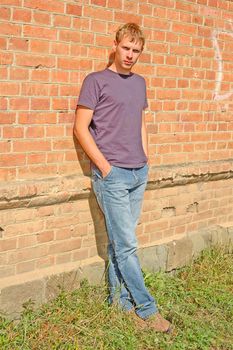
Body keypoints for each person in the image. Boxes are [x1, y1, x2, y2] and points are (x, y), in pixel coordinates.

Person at [74, 23, 172, 333]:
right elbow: (80, 128)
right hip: (112, 176)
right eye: (126, 48)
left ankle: (119, 303)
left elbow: (141, 121)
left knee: (120, 243)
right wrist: (105, 167)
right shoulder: (96, 81)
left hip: (138, 172)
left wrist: (146, 157)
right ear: (116, 45)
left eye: (136, 51)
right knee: (128, 245)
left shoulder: (140, 83)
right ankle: (147, 308)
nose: (130, 55)